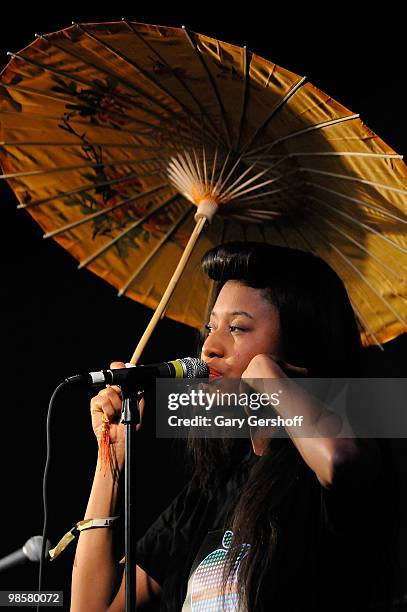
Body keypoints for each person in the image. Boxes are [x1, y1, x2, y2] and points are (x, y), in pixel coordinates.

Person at [70, 241, 401, 611]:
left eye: (238, 328)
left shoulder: (338, 463)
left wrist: (268, 376)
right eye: (211, 326)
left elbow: (339, 461)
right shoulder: (209, 493)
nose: (209, 345)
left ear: (299, 344)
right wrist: (112, 455)